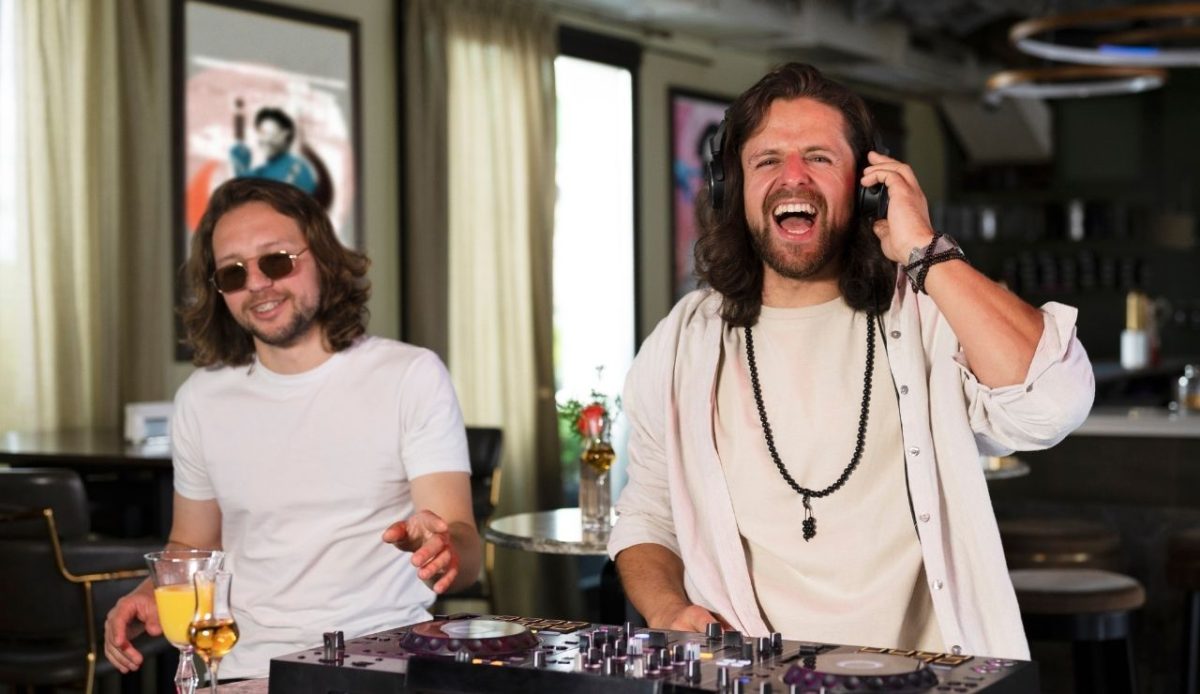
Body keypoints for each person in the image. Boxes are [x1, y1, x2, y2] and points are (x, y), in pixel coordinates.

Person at [608, 63, 1093, 660]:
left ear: (865, 187)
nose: (793, 178)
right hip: (755, 675)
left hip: (925, 674)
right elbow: (648, 512)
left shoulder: (930, 311)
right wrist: (666, 608)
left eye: (819, 157)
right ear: (731, 189)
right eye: (767, 160)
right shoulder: (683, 340)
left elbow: (1053, 404)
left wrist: (925, 250)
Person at [103, 178, 480, 679]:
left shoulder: (409, 376)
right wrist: (151, 589)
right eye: (233, 274)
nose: (257, 283)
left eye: (276, 260)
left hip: (375, 665)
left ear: (322, 257)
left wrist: (444, 549)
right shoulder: (201, 398)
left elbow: (464, 547)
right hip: (238, 667)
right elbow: (190, 546)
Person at [230, 107, 318, 195]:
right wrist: (242, 169)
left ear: (285, 134)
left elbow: (270, 198)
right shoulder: (263, 170)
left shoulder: (297, 167)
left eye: (270, 133)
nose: (264, 139)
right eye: (261, 133)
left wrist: (243, 174)